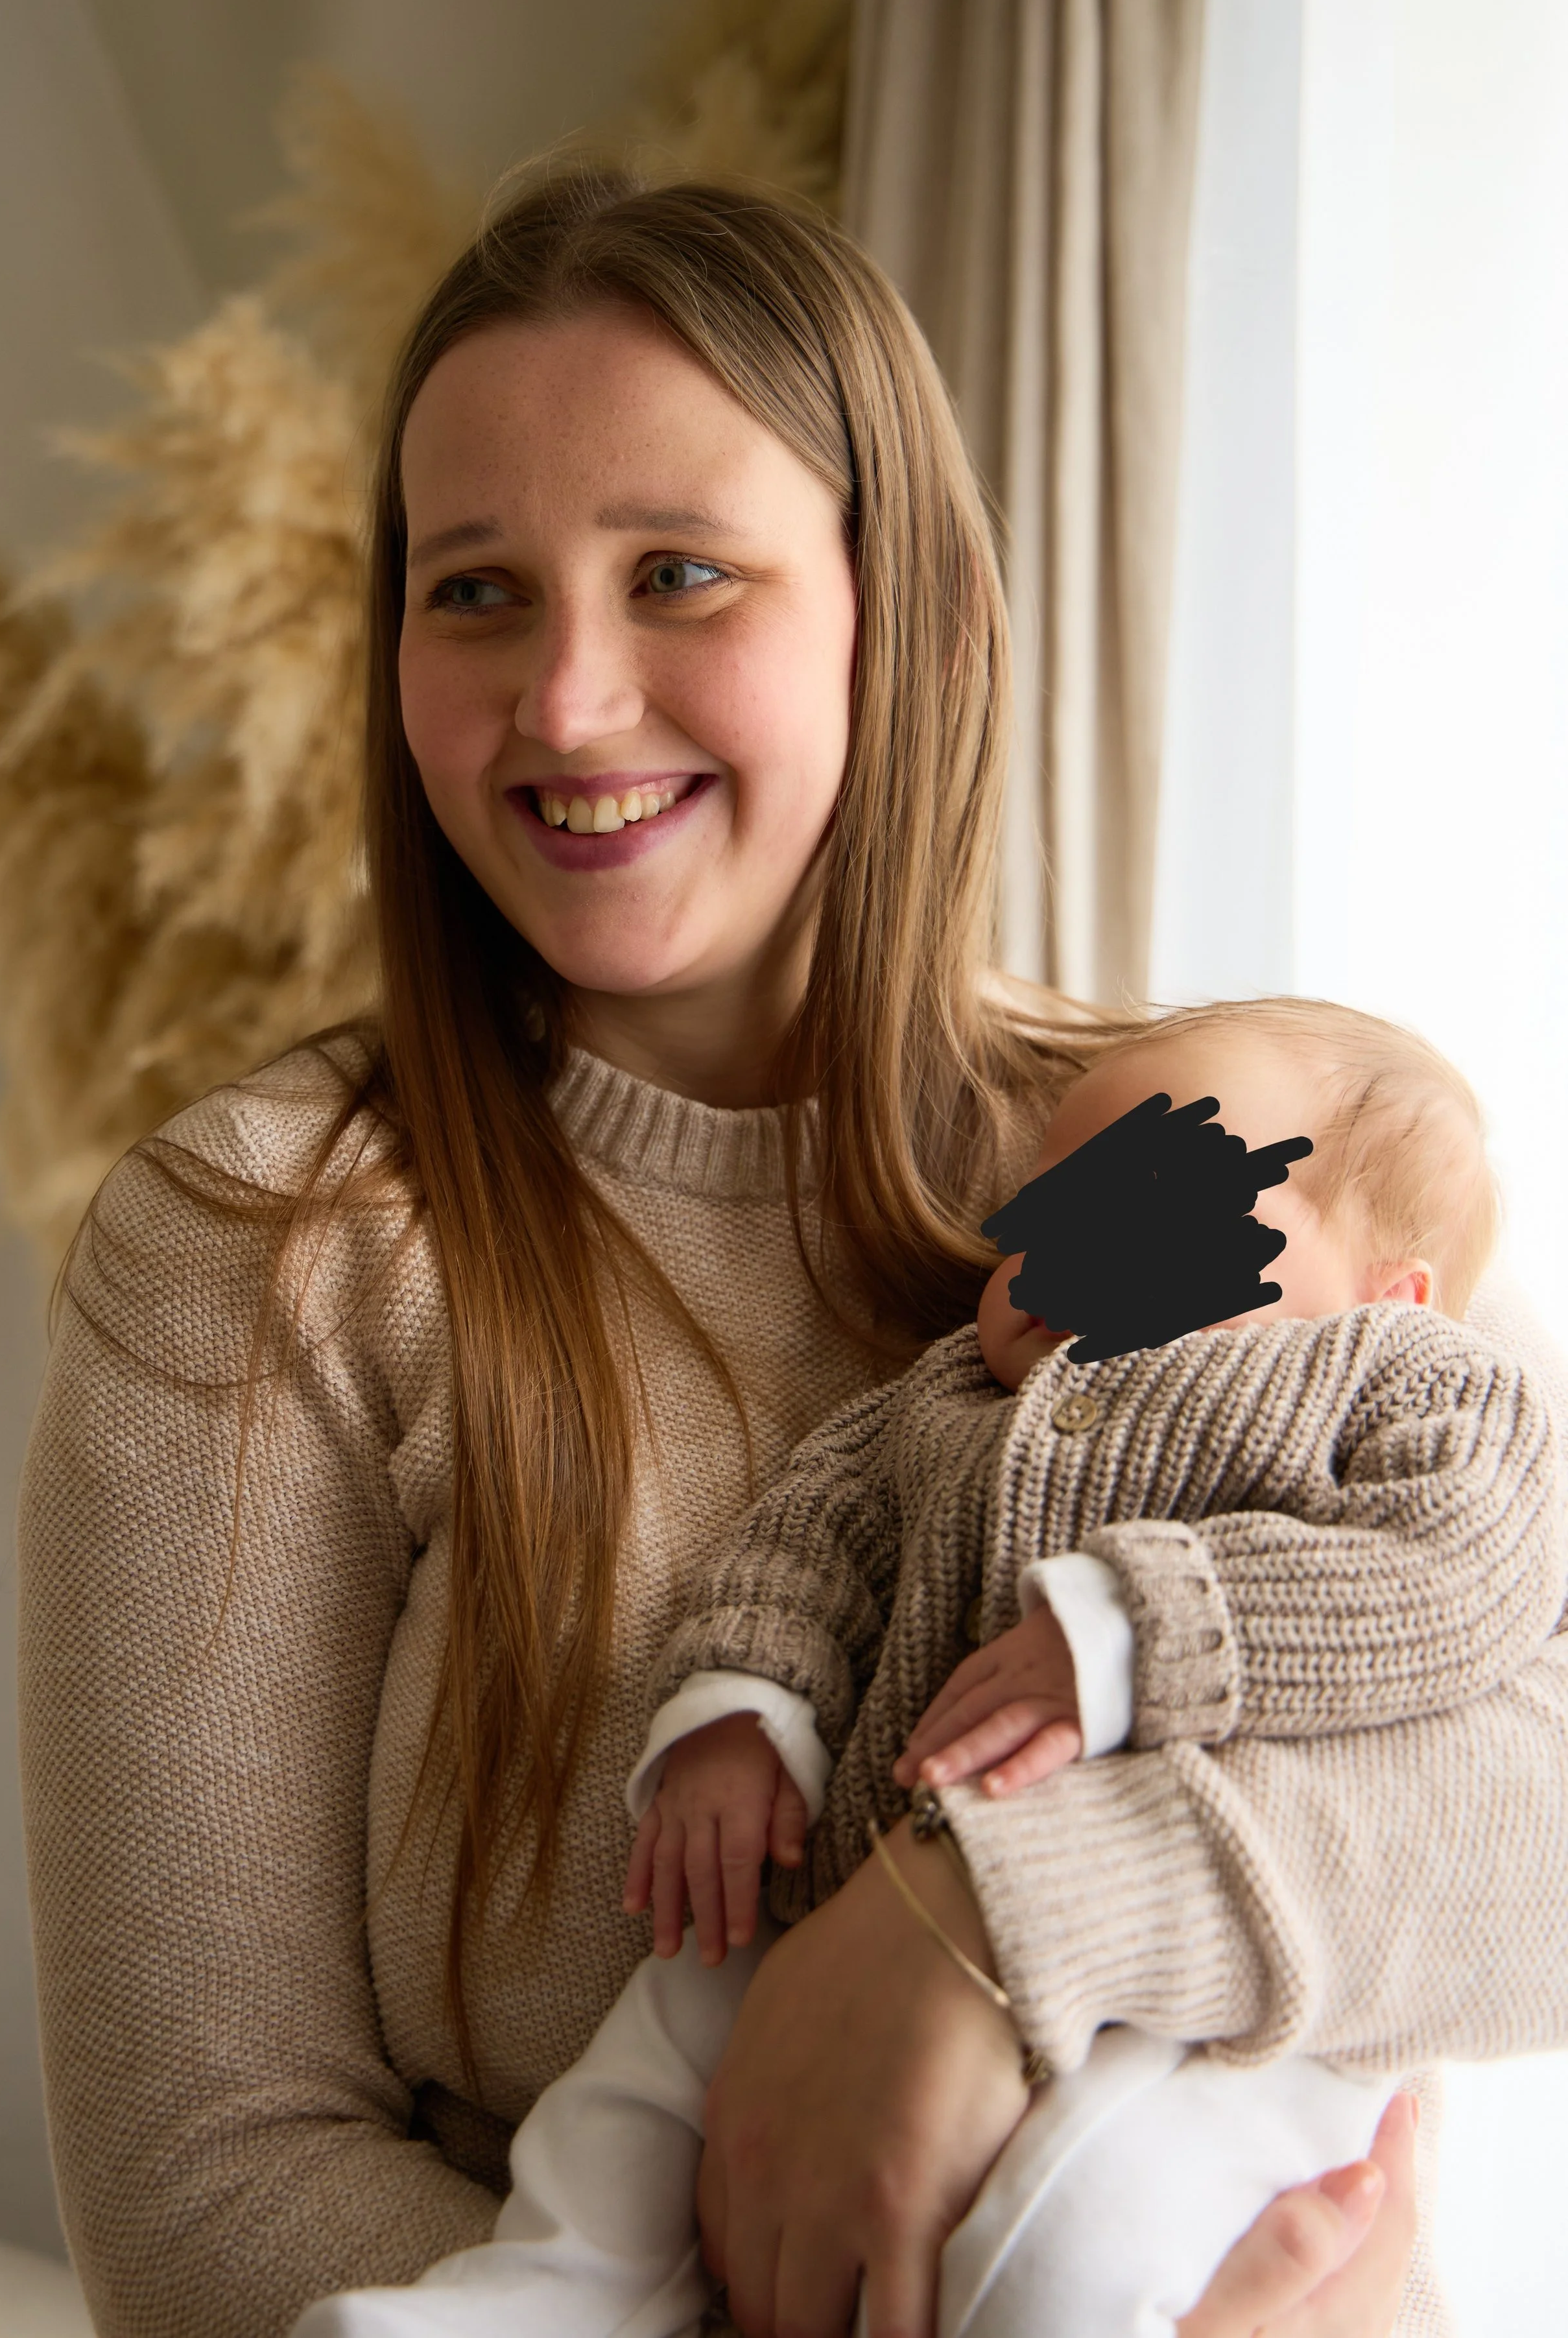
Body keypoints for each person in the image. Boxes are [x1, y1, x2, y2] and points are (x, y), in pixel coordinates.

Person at [15, 171, 1568, 2338]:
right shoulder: (266, 1247)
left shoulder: (1244, 1158)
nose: (564, 700)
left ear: (903, 615)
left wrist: (974, 1929)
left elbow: (1538, 1824)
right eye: (476, 591)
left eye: (679, 574)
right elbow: (204, 2201)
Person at [292, 996, 1560, 2336]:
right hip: (835, 1890)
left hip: (1200, 1994)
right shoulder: (945, 1401)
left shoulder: (1408, 1390)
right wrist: (743, 1706)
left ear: (1387, 1300)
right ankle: (550, 2288)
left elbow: (1463, 1570)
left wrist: (1145, 1630)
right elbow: (812, 1536)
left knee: (1084, 2233)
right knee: (659, 2041)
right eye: (1044, 1211)